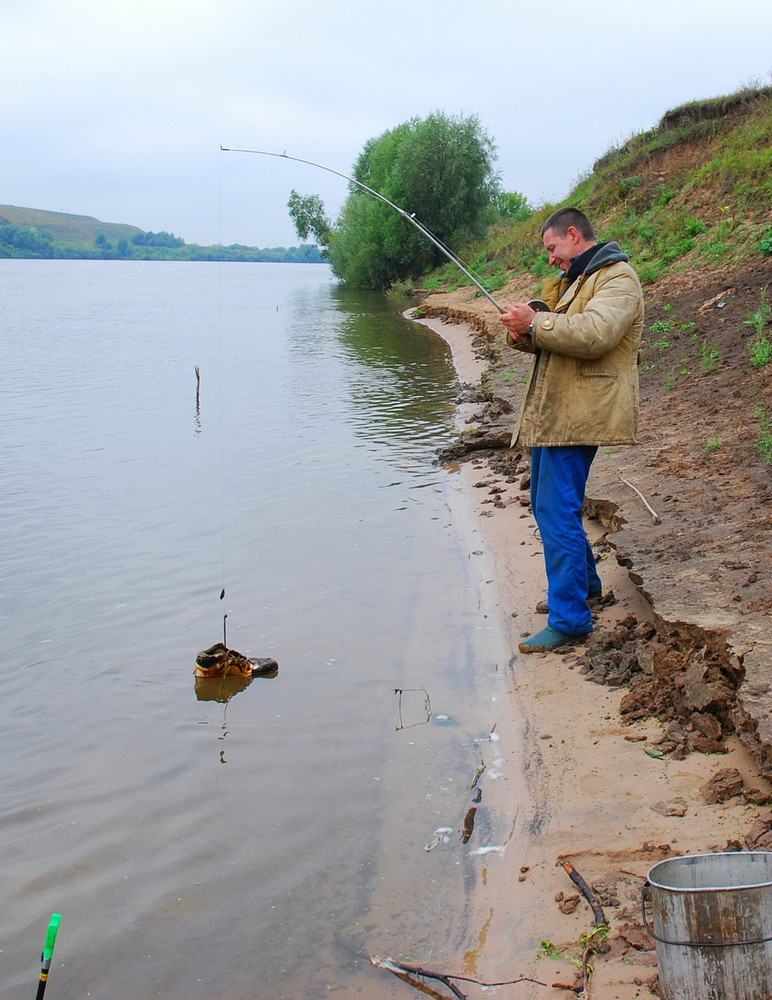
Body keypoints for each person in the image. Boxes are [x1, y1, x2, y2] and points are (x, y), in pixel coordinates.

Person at [500, 207, 644, 653]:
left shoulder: (617, 277)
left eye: (552, 248)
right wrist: (524, 330)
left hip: (579, 415)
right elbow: (558, 337)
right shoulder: (579, 278)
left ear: (574, 235)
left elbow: (596, 334)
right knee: (549, 507)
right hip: (556, 414)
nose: (550, 259)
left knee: (556, 511)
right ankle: (585, 589)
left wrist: (537, 323)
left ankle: (571, 620)